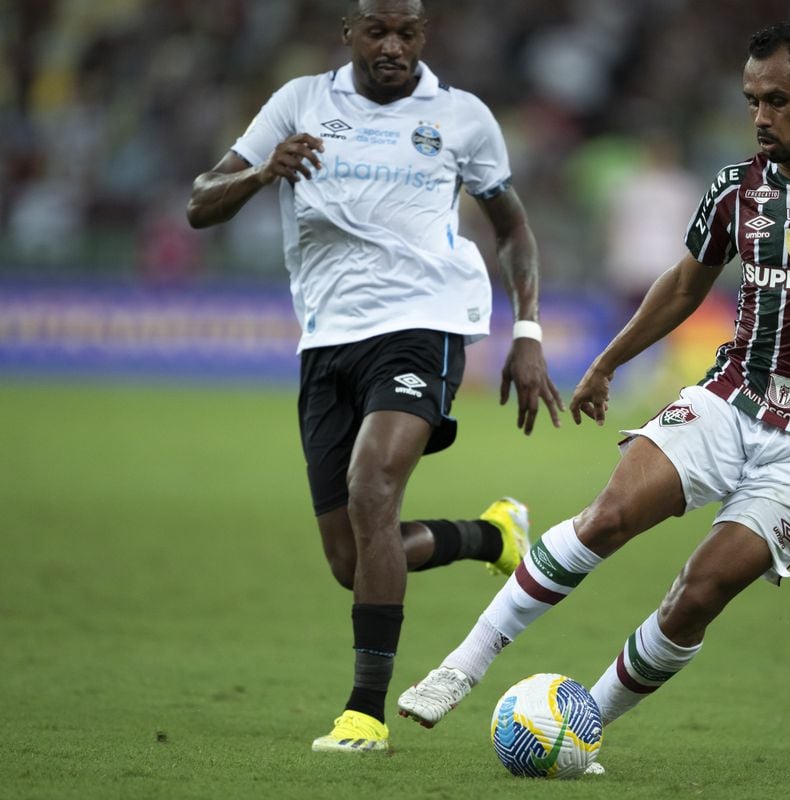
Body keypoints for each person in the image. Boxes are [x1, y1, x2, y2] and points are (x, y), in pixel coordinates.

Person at [394, 20, 790, 758]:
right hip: (733, 394)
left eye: (777, 101)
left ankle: (579, 729)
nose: (760, 117)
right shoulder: (737, 189)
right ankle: (461, 666)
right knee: (610, 514)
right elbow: (687, 283)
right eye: (751, 100)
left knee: (699, 594)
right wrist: (607, 362)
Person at [185, 0, 563, 754]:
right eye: (378, 31)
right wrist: (264, 172)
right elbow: (199, 203)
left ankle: (364, 713)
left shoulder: (461, 116)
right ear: (348, 34)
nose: (393, 46)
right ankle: (490, 537)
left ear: (425, 35)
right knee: (354, 561)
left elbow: (513, 226)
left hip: (425, 326)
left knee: (372, 489)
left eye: (408, 32)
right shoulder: (299, 102)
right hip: (327, 339)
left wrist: (526, 330)